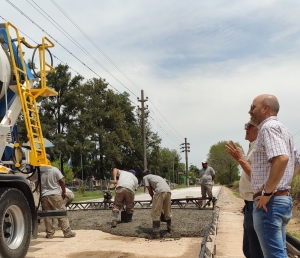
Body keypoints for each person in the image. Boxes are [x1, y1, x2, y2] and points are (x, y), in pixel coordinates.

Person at [249, 94, 300, 257]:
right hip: (281, 200)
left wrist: (268, 192)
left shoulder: (268, 127)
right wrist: (281, 185)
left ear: (265, 108)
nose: (249, 111)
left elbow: (282, 158)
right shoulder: (284, 130)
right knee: (279, 252)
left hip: (269, 203)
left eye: (252, 107)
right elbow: (296, 163)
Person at [225, 122, 264, 258]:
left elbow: (257, 177)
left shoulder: (260, 148)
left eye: (250, 125)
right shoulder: (252, 147)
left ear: (260, 128)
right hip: (249, 204)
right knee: (248, 249)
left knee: (255, 251)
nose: (245, 128)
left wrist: (240, 159)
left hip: (256, 204)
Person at [37, 154, 76, 238]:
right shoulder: (54, 169)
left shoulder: (39, 170)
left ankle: (50, 233)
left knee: (47, 215)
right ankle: (67, 232)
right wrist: (64, 192)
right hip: (55, 195)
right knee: (61, 212)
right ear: (49, 160)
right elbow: (61, 181)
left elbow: (35, 180)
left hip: (44, 196)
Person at [143, 169, 172, 239]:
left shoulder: (145, 177)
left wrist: (153, 198)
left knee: (155, 212)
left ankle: (156, 233)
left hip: (159, 191)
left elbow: (149, 189)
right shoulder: (156, 176)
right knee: (167, 210)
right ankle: (170, 230)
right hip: (168, 191)